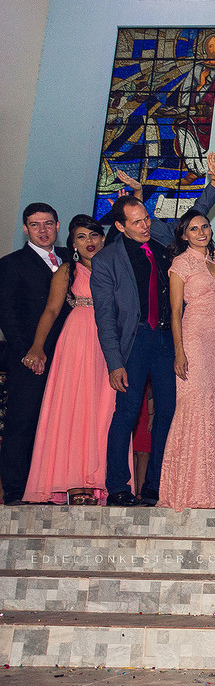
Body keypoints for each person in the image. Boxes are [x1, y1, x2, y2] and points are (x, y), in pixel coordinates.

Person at [92, 157, 215, 507]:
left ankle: (154, 486)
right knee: (127, 412)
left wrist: (211, 186)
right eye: (136, 222)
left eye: (146, 218)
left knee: (168, 412)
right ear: (120, 227)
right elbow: (105, 317)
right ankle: (118, 486)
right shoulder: (107, 261)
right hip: (135, 341)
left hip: (167, 339)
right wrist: (114, 362)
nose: (145, 225)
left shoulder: (163, 242)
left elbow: (191, 222)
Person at [21, 216, 115, 505]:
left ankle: (98, 481)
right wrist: (37, 347)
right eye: (81, 237)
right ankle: (74, 483)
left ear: (103, 238)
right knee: (76, 408)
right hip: (78, 337)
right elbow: (50, 311)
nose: (90, 242)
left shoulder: (114, 267)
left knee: (104, 410)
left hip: (110, 343)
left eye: (94, 235)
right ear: (72, 244)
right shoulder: (67, 271)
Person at [0, 204, 71, 504]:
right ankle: (17, 492)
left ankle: (52, 487)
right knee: (23, 422)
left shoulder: (73, 258)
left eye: (48, 224)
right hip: (29, 358)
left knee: (59, 423)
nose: (42, 230)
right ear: (25, 229)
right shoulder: (11, 264)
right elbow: (7, 315)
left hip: (69, 356)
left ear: (57, 225)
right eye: (35, 224)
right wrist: (28, 355)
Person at [158, 209, 215, 511]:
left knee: (212, 407)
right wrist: (179, 351)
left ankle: (208, 489)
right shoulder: (180, 263)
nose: (201, 232)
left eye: (205, 226)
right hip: (193, 338)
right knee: (193, 406)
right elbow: (174, 311)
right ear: (184, 235)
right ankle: (183, 489)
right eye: (194, 229)